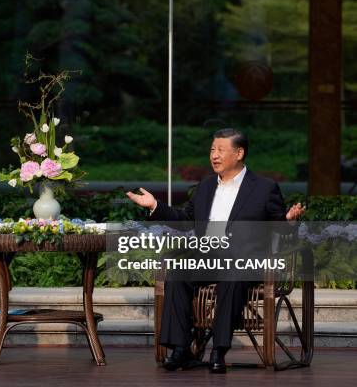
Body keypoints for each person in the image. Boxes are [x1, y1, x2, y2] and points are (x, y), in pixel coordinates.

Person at [126, 128, 305, 373]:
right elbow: (186, 219)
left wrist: (290, 222)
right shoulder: (206, 186)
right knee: (178, 271)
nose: (214, 156)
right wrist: (155, 206)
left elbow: (280, 229)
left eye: (221, 150)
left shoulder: (264, 188)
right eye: (212, 150)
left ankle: (219, 350)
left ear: (239, 153)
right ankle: (180, 349)